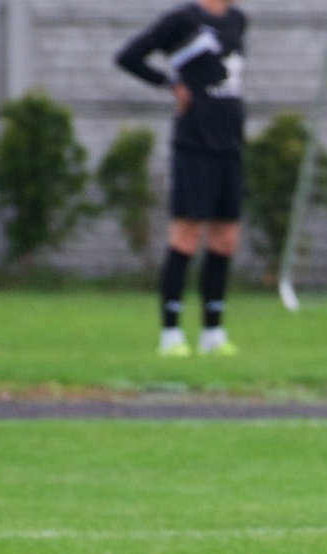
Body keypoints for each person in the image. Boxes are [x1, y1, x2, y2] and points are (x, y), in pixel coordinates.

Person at [117, 0, 247, 357]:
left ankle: (212, 332)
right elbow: (128, 56)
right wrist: (169, 83)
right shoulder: (183, 20)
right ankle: (171, 334)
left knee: (225, 240)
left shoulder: (238, 20)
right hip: (195, 145)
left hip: (230, 147)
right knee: (186, 236)